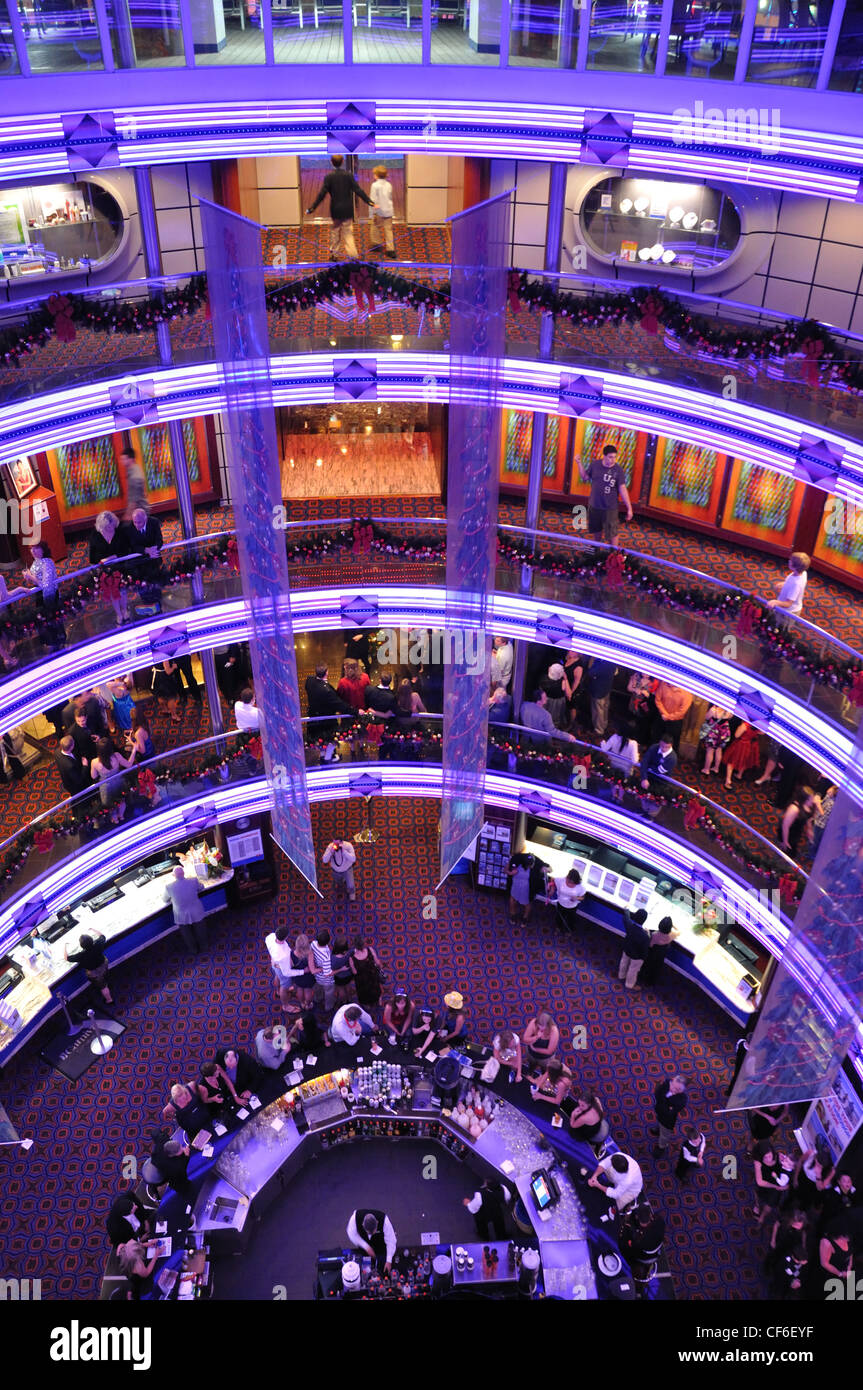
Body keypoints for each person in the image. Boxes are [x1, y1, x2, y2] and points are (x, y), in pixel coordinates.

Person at [306, 153, 375, 262]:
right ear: (343, 162)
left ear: (331, 163)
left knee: (335, 232)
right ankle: (353, 256)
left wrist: (312, 208)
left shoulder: (329, 177)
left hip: (336, 210)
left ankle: (334, 255)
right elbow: (358, 190)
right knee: (348, 234)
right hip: (347, 210)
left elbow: (322, 194)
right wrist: (370, 202)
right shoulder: (348, 176)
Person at [576, 442, 633, 545]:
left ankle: (614, 556)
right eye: (610, 457)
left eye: (614, 457)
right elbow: (585, 477)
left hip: (610, 508)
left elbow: (622, 489)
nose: (613, 460)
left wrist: (629, 508)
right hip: (595, 506)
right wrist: (579, 463)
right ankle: (596, 553)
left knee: (612, 534)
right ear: (604, 456)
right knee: (596, 531)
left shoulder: (618, 470)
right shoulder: (595, 465)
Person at [89, 510, 129, 623]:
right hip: (105, 571)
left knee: (122, 591)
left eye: (112, 526)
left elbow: (125, 550)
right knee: (113, 593)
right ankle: (119, 614)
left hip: (120, 566)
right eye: (108, 528)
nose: (111, 529)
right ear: (101, 526)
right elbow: (93, 557)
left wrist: (110, 558)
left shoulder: (119, 531)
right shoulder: (95, 536)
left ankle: (125, 610)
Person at [163, 865, 206, 954]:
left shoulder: (169, 887)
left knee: (187, 934)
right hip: (196, 910)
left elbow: (164, 899)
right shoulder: (193, 880)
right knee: (200, 929)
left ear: (174, 875)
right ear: (184, 873)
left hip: (181, 914)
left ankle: (193, 950)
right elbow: (202, 887)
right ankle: (204, 946)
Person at [305, 664, 354, 741]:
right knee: (330, 741)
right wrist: (355, 711)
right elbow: (339, 705)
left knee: (318, 742)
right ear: (327, 673)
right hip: (326, 722)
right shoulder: (327, 691)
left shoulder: (309, 681)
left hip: (314, 719)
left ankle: (322, 753)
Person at [65, 931, 113, 1006]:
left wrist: (65, 946)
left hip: (94, 973)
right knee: (104, 974)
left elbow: (67, 958)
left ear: (81, 945)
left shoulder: (80, 955)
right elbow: (102, 936)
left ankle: (109, 1000)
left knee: (102, 986)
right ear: (92, 940)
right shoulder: (98, 944)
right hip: (103, 965)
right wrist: (92, 929)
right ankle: (106, 981)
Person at [123, 508, 163, 595]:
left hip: (154, 557)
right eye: (135, 522)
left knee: (155, 582)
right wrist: (146, 550)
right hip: (140, 560)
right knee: (142, 586)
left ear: (145, 519)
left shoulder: (154, 522)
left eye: (139, 522)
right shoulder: (130, 527)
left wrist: (153, 550)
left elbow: (159, 540)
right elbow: (132, 546)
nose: (136, 525)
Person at [753, 1141, 792, 1227]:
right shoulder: (758, 1162)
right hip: (765, 1183)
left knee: (770, 1204)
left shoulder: (779, 1156)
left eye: (769, 1155)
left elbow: (790, 1167)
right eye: (765, 1157)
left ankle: (762, 1216)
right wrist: (776, 1186)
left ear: (772, 1151)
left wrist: (784, 1185)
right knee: (759, 1195)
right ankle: (757, 1205)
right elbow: (760, 1182)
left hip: (777, 1183)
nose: (768, 1159)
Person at [265, 923, 302, 1013]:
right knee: (284, 986)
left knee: (277, 977)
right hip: (282, 968)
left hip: (274, 963)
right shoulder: (284, 954)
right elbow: (287, 972)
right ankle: (286, 1006)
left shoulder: (270, 937)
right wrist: (302, 971)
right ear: (286, 937)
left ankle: (277, 991)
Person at [347, 1208, 396, 1273]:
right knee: (364, 1267)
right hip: (364, 1244)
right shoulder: (354, 1218)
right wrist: (366, 1247)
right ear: (362, 1225)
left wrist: (389, 1260)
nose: (370, 1235)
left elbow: (391, 1240)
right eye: (368, 1232)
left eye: (373, 1232)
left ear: (377, 1223)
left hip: (380, 1243)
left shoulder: (384, 1220)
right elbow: (352, 1234)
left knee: (383, 1265)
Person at [778, 786, 821, 859]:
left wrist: (809, 829)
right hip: (789, 831)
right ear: (804, 799)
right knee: (788, 852)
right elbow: (785, 826)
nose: (812, 801)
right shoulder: (794, 809)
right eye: (810, 799)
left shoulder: (809, 806)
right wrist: (785, 841)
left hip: (797, 830)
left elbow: (808, 819)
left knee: (793, 848)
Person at [651, 1074, 688, 1157]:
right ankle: (659, 1129)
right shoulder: (667, 1083)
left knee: (664, 1135)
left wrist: (663, 1101)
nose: (672, 1089)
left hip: (667, 1121)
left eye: (677, 1089)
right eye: (673, 1086)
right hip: (659, 1112)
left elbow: (669, 1112)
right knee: (659, 1122)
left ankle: (662, 1147)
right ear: (672, 1080)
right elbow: (657, 1092)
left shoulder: (682, 1100)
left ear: (682, 1090)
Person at [507, 850, 548, 924]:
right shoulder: (517, 858)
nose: (531, 866)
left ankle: (525, 918)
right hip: (516, 885)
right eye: (529, 865)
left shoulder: (537, 861)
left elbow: (550, 869)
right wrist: (510, 872)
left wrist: (545, 870)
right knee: (512, 900)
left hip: (527, 889)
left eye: (532, 864)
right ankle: (513, 915)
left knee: (527, 903)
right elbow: (506, 869)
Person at [767, 551, 810, 617]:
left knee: (780, 626)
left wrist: (776, 602)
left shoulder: (796, 584)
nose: (789, 561)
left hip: (788, 612)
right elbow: (791, 581)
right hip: (785, 608)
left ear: (795, 567)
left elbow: (788, 603)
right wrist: (784, 584)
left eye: (791, 561)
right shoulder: (803, 572)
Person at [640, 915, 679, 987]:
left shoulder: (654, 934)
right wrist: (673, 925)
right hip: (661, 954)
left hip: (652, 953)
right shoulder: (672, 935)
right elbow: (679, 932)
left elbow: (650, 945)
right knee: (656, 968)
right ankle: (650, 982)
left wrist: (648, 933)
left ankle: (642, 978)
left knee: (647, 965)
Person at [618, 906, 650, 990]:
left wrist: (627, 910)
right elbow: (645, 949)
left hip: (627, 949)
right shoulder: (645, 936)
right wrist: (648, 934)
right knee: (633, 970)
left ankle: (621, 975)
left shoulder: (629, 925)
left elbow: (626, 917)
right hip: (637, 956)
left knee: (624, 962)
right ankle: (629, 984)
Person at [652, 682, 692, 749]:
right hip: (661, 717)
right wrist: (664, 713)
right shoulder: (663, 684)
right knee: (656, 737)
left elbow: (682, 711)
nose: (668, 682)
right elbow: (658, 700)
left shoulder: (687, 693)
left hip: (675, 722)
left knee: (673, 742)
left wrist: (668, 717)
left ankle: (669, 758)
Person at [723, 721, 761, 789]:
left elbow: (736, 735)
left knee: (731, 761)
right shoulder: (759, 725)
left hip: (740, 744)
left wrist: (739, 727)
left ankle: (728, 780)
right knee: (744, 760)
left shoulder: (745, 725)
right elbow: (761, 733)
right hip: (749, 744)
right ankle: (739, 775)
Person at [368, 164, 396, 258]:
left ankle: (376, 244)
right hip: (388, 211)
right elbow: (390, 197)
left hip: (379, 211)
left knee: (375, 226)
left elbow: (373, 200)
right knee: (388, 230)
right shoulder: (389, 185)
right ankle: (390, 249)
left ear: (376, 175)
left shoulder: (374, 185)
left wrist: (371, 213)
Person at [350, 937, 383, 1012]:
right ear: (363, 944)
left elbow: (354, 972)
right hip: (372, 976)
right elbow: (377, 963)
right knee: (376, 988)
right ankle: (378, 1000)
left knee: (364, 992)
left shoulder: (352, 957)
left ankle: (367, 1005)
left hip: (362, 980)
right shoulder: (370, 950)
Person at [698, 704, 732, 776]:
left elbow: (706, 717)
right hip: (723, 731)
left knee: (710, 750)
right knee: (719, 750)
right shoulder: (730, 710)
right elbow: (729, 718)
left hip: (714, 732)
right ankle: (716, 768)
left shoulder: (713, 710)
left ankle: (706, 769)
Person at [55, 734, 91, 798]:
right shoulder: (70, 766)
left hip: (67, 778)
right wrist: (85, 766)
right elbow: (79, 779)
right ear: (71, 747)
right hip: (74, 786)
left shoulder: (57, 752)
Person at [309, 928, 336, 1013]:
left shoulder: (313, 944)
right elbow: (328, 973)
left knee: (318, 988)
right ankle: (329, 1007)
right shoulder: (326, 956)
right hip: (326, 980)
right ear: (327, 942)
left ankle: (317, 999)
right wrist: (340, 970)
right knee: (329, 993)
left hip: (317, 977)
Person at [551, 868, 585, 933]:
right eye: (568, 881)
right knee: (559, 917)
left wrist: (576, 898)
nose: (570, 884)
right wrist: (552, 889)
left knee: (571, 920)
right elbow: (552, 879)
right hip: (561, 903)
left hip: (572, 907)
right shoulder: (561, 880)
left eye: (572, 883)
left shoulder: (580, 887)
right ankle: (558, 927)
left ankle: (568, 931)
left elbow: (582, 897)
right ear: (567, 877)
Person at [322, 835, 357, 900]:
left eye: (337, 844)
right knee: (338, 882)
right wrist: (330, 852)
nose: (336, 845)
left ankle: (352, 894)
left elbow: (353, 859)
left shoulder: (348, 845)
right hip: (336, 870)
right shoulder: (331, 847)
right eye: (334, 843)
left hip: (347, 869)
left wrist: (344, 852)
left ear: (342, 843)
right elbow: (324, 860)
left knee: (351, 885)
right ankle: (342, 882)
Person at [540, 662, 571, 729]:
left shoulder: (543, 679)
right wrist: (566, 679)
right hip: (557, 704)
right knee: (555, 720)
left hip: (546, 701)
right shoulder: (562, 683)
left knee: (545, 718)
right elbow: (569, 694)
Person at [119, 449, 148, 518]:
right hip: (141, 509)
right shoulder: (136, 468)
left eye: (124, 459)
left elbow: (134, 501)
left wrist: (128, 515)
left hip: (139, 512)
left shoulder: (134, 477)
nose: (121, 462)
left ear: (131, 459)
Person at [290, 934, 316, 1010]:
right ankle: (308, 1005)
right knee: (308, 991)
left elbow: (290, 966)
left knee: (299, 989)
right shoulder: (309, 954)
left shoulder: (292, 953)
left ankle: (302, 1003)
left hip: (298, 976)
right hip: (307, 977)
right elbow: (312, 969)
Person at [331, 932, 354, 1005]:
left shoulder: (333, 959)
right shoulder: (349, 952)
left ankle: (344, 1001)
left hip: (339, 977)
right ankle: (349, 998)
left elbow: (331, 972)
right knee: (348, 986)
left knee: (341, 989)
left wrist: (341, 969)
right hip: (349, 974)